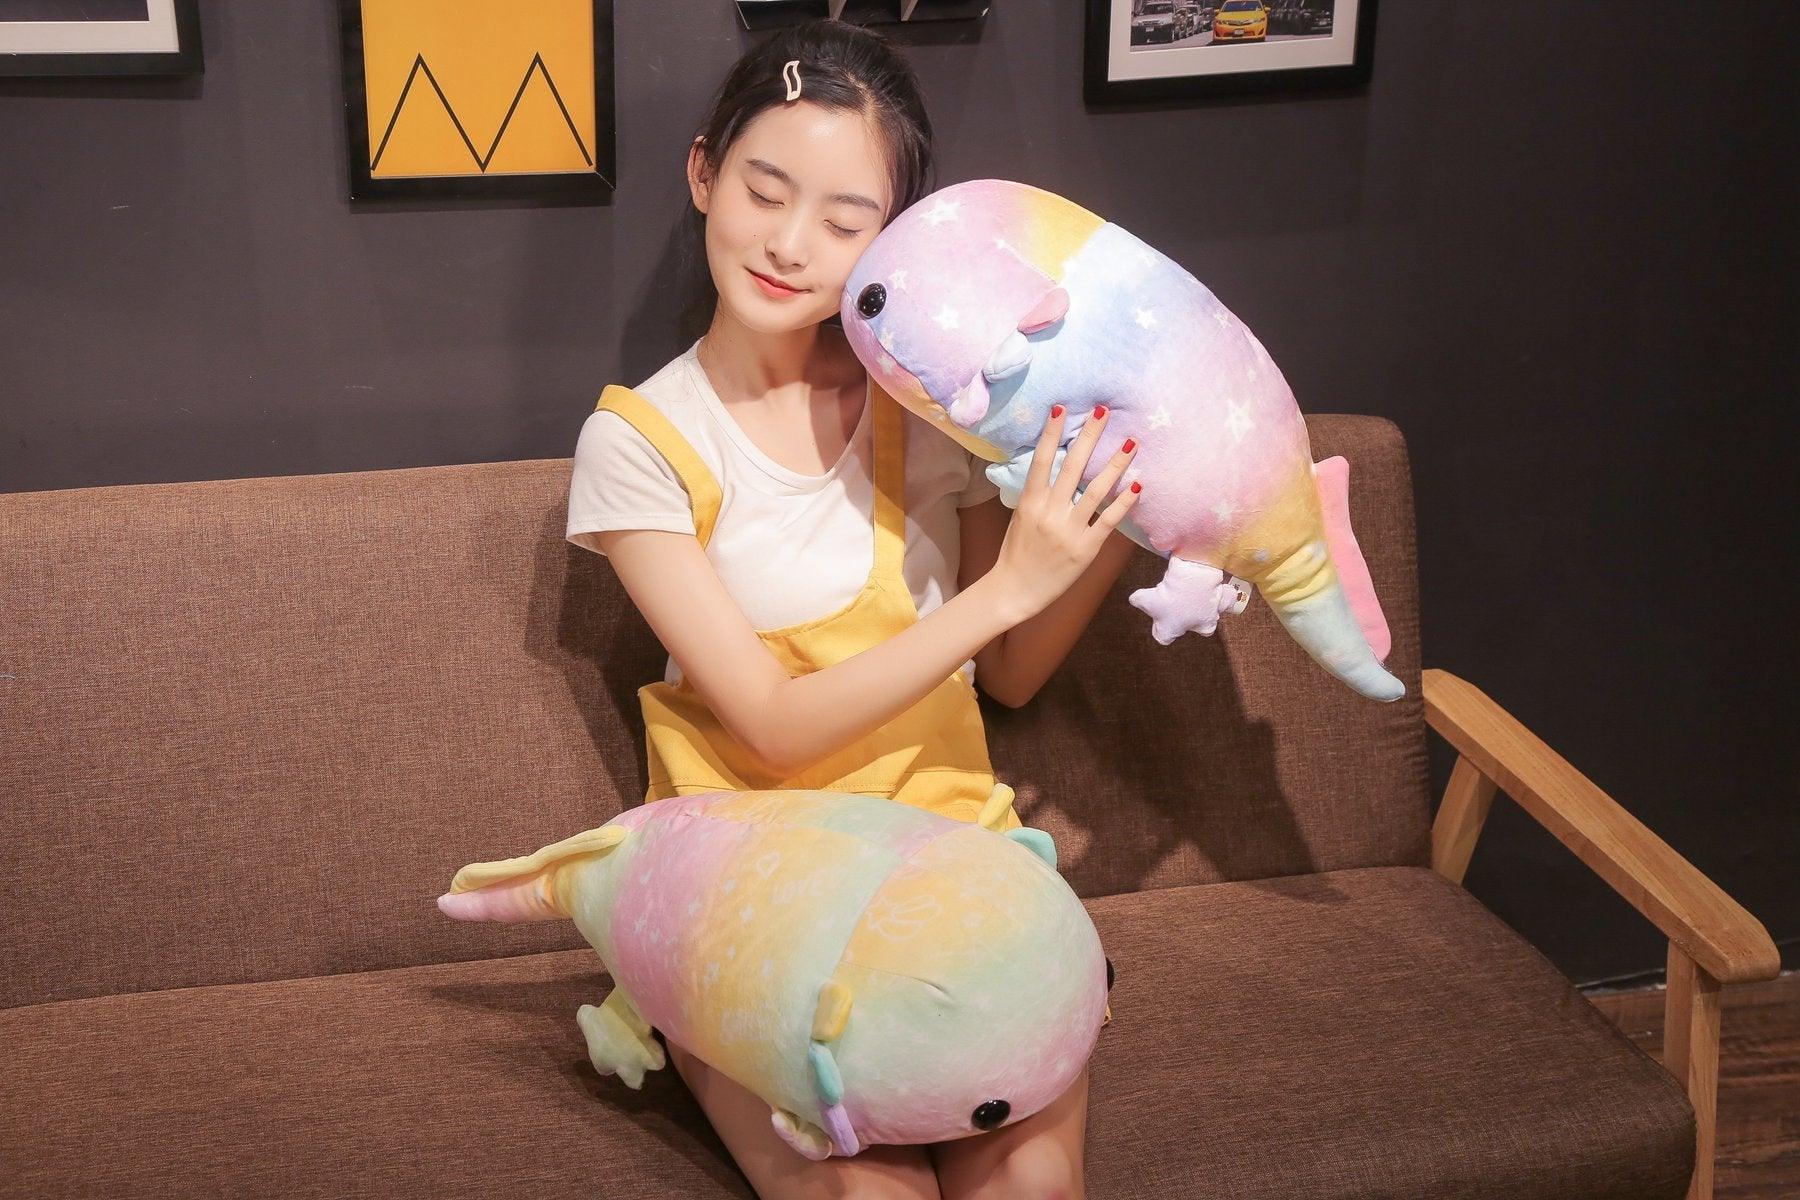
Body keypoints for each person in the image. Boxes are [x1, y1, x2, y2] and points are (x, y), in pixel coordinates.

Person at [565, 18, 1144, 1200]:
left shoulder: (930, 407)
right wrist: (1006, 589)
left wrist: (1118, 500)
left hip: (951, 865)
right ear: (702, 173)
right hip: (749, 892)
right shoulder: (640, 443)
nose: (789, 245)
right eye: (763, 190)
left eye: (844, 221)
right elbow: (774, 727)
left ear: (894, 236)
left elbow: (1014, 674)